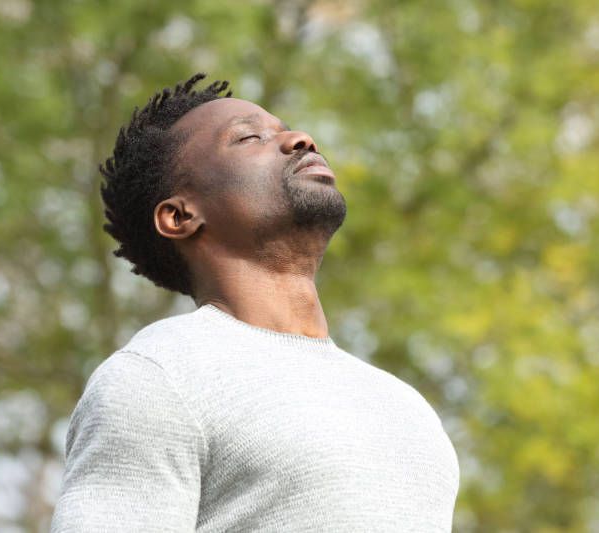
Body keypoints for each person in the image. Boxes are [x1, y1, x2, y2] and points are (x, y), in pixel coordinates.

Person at [50, 73, 459, 532]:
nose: (299, 140)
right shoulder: (158, 377)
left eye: (288, 129)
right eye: (249, 137)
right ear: (180, 216)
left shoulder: (403, 405)